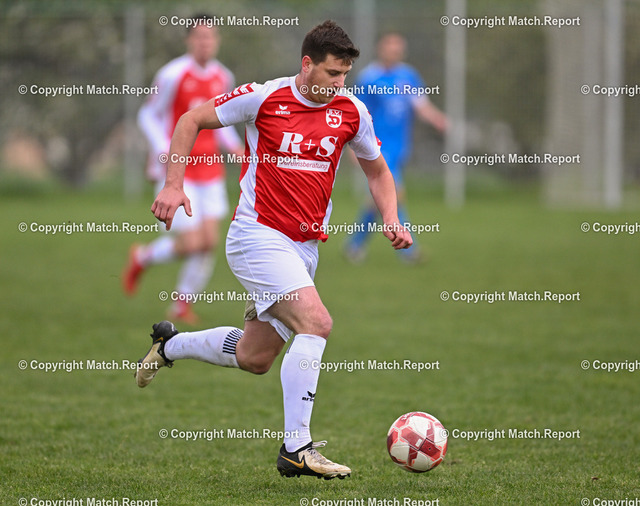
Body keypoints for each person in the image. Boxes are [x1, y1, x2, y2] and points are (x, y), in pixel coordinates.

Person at [134, 20, 412, 480]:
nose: (338, 84)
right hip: (257, 237)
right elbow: (190, 120)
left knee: (255, 357)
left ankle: (170, 345)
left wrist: (390, 217)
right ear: (307, 64)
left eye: (344, 75)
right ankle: (296, 449)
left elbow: (378, 171)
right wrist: (172, 183)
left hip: (304, 249)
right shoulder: (264, 97)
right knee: (317, 323)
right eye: (331, 73)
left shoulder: (352, 111)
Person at [122, 14, 243, 324]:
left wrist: (236, 148)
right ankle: (143, 257)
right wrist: (164, 148)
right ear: (189, 40)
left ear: (217, 40)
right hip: (180, 171)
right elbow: (148, 115)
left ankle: (181, 305)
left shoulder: (223, 77)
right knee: (191, 242)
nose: (205, 42)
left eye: (210, 36)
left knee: (209, 242)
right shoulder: (172, 74)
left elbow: (222, 121)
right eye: (199, 36)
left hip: (210, 170)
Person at [344, 32, 448, 264]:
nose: (395, 51)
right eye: (391, 47)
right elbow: (356, 114)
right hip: (376, 147)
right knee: (394, 194)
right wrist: (352, 147)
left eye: (399, 47)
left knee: (377, 201)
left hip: (400, 146)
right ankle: (409, 250)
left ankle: (354, 245)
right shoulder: (369, 78)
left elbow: (421, 105)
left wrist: (438, 119)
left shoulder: (408, 76)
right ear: (381, 49)